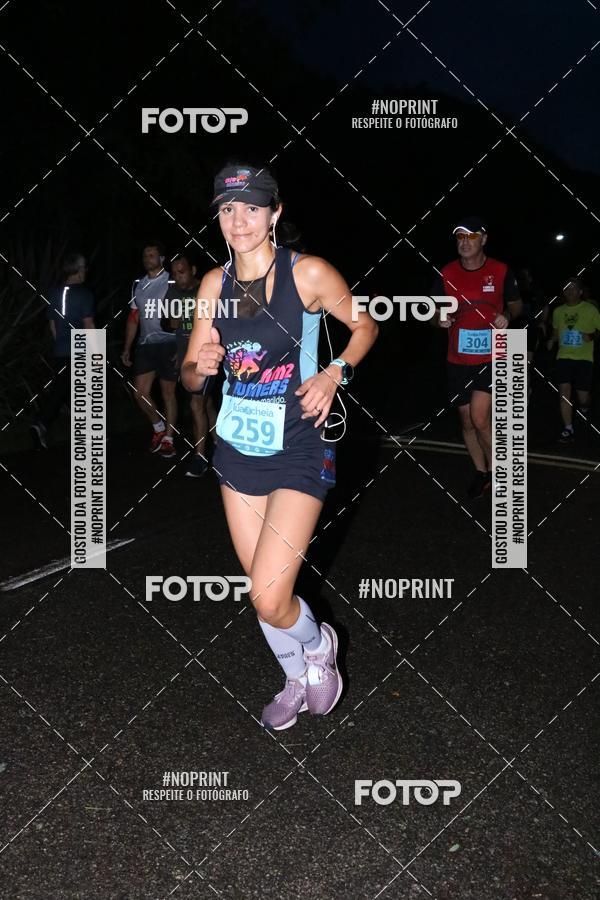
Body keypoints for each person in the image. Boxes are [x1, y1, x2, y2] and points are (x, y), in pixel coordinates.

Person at [182, 164, 378, 730]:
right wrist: (203, 366)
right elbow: (192, 375)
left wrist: (335, 371)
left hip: (299, 445)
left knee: (270, 597)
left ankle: (320, 647)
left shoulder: (309, 274)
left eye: (250, 208)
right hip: (238, 451)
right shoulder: (214, 286)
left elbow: (365, 326)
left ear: (274, 213)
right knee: (262, 591)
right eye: (226, 209)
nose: (237, 221)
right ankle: (297, 674)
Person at [432, 217, 522, 499]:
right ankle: (482, 473)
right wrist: (439, 320)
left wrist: (506, 316)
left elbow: (517, 305)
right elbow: (432, 313)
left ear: (483, 240)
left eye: (471, 237)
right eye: (460, 237)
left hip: (492, 355)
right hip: (457, 358)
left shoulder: (500, 270)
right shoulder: (445, 272)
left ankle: (499, 473)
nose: (465, 242)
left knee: (480, 418)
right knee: (467, 422)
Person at [31, 253, 95, 449]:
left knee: (65, 390)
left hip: (60, 351)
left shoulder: (54, 293)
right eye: (83, 267)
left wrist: (61, 344)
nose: (86, 270)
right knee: (79, 392)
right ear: (75, 270)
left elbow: (53, 326)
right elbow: (89, 325)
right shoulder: (84, 294)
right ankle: (41, 423)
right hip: (79, 350)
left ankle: (45, 424)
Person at [120, 242, 177, 458]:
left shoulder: (171, 281)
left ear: (161, 258)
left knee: (168, 393)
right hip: (145, 344)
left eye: (152, 254)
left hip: (169, 342)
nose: (148, 258)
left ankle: (169, 440)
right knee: (140, 393)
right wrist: (127, 347)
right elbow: (134, 317)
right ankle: (159, 428)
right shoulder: (139, 284)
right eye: (145, 255)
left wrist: (185, 343)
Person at [167, 254, 217, 477]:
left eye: (182, 271)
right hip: (185, 357)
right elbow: (166, 323)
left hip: (206, 357)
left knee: (196, 405)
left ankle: (200, 457)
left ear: (193, 269)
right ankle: (221, 446)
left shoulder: (205, 290)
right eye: (175, 273)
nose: (178, 277)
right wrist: (170, 323)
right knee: (206, 406)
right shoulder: (172, 293)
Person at [547, 277, 600, 443]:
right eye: (567, 289)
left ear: (580, 292)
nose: (569, 292)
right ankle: (568, 428)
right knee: (564, 392)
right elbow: (556, 331)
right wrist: (552, 340)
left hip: (584, 358)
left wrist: (591, 335)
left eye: (573, 289)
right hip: (564, 357)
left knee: (583, 397)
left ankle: (584, 405)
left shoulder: (590, 310)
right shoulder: (558, 311)